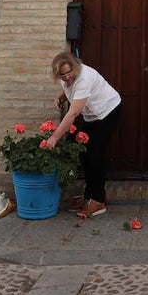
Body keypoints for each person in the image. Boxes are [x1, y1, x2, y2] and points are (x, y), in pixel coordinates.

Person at [46, 51, 122, 219]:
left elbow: (72, 114)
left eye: (69, 72)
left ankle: (98, 200)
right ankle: (89, 196)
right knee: (85, 153)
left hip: (107, 111)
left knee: (96, 155)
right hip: (92, 114)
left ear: (76, 67)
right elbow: (69, 89)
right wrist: (61, 97)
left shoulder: (84, 78)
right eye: (62, 74)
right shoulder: (67, 79)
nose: (67, 77)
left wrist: (54, 137)